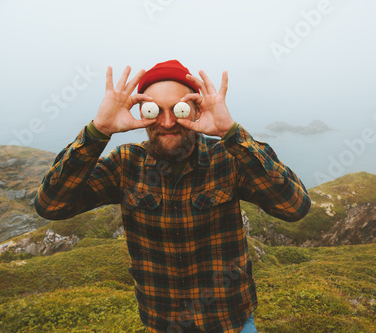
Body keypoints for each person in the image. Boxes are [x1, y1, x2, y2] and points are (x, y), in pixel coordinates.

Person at [35, 60, 311, 332]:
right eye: (155, 110)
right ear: (143, 111)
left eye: (178, 109)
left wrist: (231, 134)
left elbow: (294, 206)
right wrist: (99, 130)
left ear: (194, 109)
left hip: (231, 322)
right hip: (163, 324)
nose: (167, 122)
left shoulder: (228, 158)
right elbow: (51, 205)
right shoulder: (125, 164)